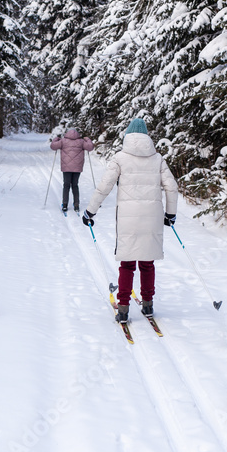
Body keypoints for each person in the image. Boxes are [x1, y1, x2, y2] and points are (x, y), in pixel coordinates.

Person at [82, 118, 178, 323]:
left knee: (127, 265)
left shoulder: (120, 158)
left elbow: (104, 186)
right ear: (147, 137)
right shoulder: (158, 159)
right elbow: (172, 187)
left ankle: (123, 309)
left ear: (127, 136)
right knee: (147, 263)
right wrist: (171, 214)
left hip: (128, 220)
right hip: (152, 218)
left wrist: (90, 211)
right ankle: (148, 305)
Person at [50, 128, 95, 212]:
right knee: (75, 185)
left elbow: (53, 146)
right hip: (77, 167)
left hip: (66, 168)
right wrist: (87, 139)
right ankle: (76, 204)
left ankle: (65, 204)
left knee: (66, 185)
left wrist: (56, 139)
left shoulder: (63, 141)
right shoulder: (81, 142)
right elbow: (90, 147)